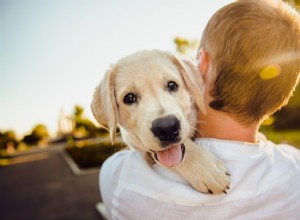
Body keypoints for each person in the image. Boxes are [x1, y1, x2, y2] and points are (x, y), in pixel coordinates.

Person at [99, 0, 300, 219]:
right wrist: (187, 155)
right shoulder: (294, 167)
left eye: (172, 85)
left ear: (201, 64)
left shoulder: (119, 177)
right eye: (130, 98)